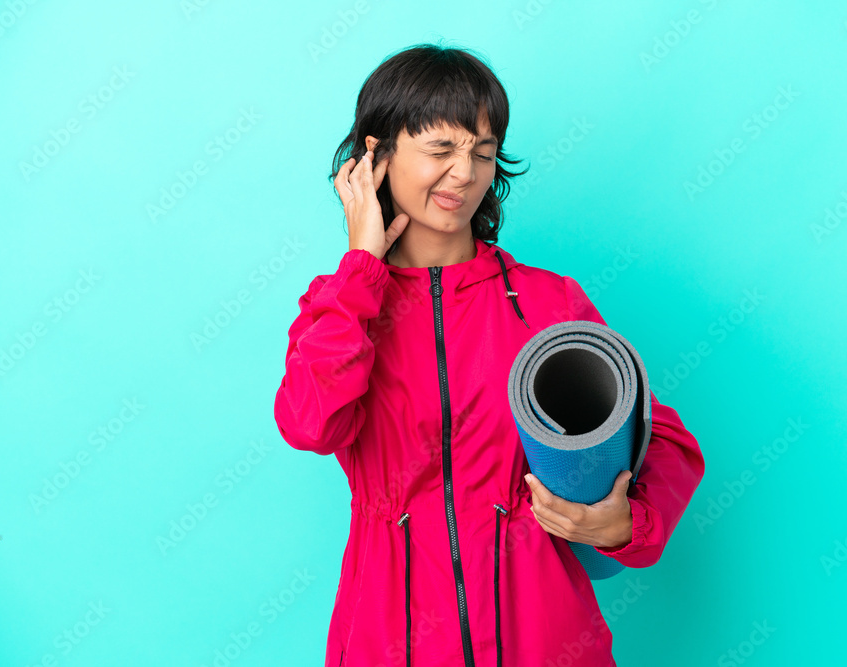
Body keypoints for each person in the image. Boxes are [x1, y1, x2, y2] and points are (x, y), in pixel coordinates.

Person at [273, 42, 705, 667]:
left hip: (545, 638)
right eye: (441, 149)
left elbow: (661, 438)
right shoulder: (339, 305)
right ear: (377, 156)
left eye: (482, 152)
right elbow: (312, 424)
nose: (465, 174)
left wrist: (623, 524)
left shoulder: (547, 300)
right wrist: (362, 268)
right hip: (389, 639)